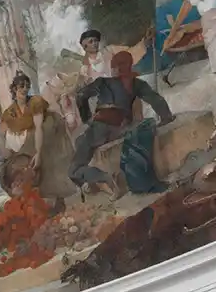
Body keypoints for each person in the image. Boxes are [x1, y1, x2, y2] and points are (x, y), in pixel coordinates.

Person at [69, 53, 172, 194]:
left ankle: (103, 177)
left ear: (113, 68)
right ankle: (136, 183)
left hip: (98, 130)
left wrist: (87, 120)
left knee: (74, 169)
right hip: (121, 128)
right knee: (146, 126)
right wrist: (166, 117)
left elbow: (81, 95)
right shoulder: (136, 84)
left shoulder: (102, 82)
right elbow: (155, 99)